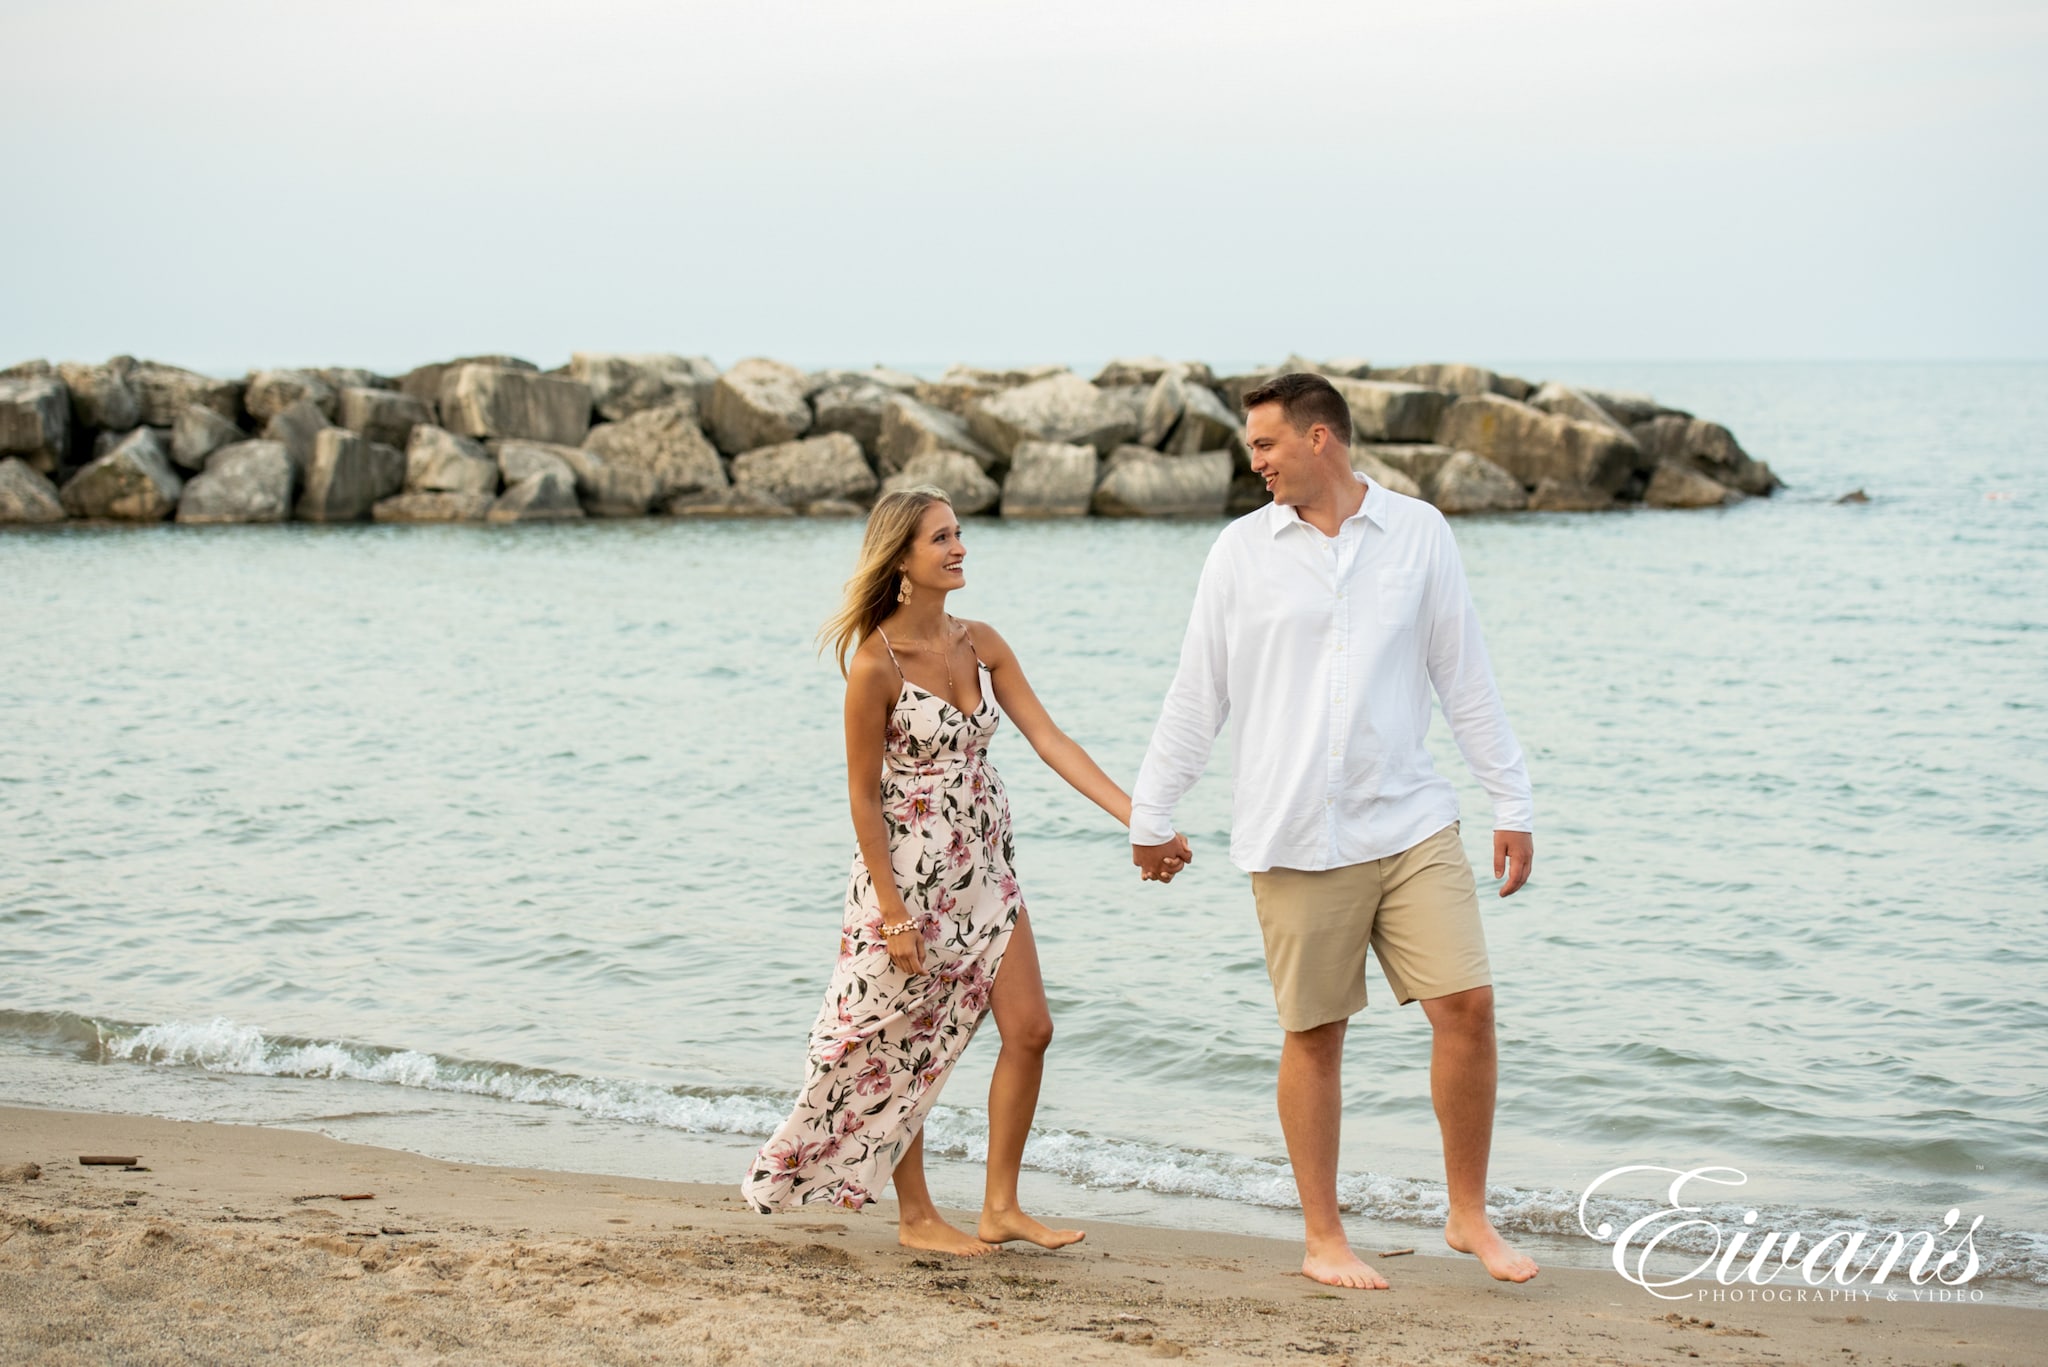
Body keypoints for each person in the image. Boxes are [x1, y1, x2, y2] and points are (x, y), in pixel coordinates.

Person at [1128, 373, 1539, 1290]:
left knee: (1467, 1008)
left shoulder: (1419, 534)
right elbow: (1201, 693)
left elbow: (1463, 675)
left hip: (1411, 816)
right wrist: (1152, 814)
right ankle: (1324, 1236)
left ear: (1322, 439)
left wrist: (1513, 799)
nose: (1255, 462)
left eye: (1267, 445)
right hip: (1296, 831)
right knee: (1317, 1032)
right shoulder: (1239, 553)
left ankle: (1468, 1213)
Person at [743, 486, 1192, 1255]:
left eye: (958, 533)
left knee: (1031, 1029)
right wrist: (891, 911)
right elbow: (860, 796)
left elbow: (1051, 740)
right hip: (906, 884)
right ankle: (915, 1215)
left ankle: (1000, 1205)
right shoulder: (875, 665)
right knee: (896, 1042)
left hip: (985, 873)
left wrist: (1141, 819)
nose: (958, 547)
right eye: (940, 538)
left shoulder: (982, 642)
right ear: (902, 559)